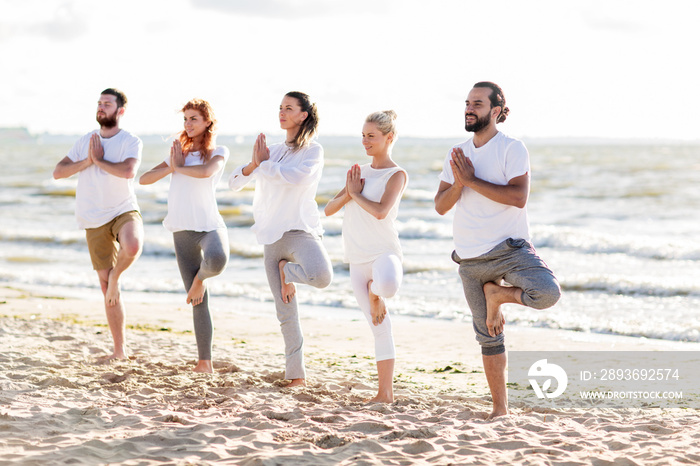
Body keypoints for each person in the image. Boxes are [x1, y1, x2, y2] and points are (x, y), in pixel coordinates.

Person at [434, 81, 561, 418]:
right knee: (488, 337)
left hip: (510, 249)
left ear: (496, 110)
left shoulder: (511, 148)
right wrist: (460, 182)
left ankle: (499, 295)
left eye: (477, 103)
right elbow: (441, 205)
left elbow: (518, 197)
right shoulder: (457, 153)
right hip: (470, 260)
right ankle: (500, 410)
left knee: (547, 293)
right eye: (467, 102)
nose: (469, 108)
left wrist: (472, 180)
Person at [229, 91, 333, 387]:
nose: (282, 112)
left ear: (303, 115)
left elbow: (296, 177)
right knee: (285, 312)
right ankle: (296, 376)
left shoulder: (313, 151)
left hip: (299, 231)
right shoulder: (271, 151)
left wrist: (264, 165)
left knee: (322, 276)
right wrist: (253, 164)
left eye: (289, 108)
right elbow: (235, 183)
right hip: (272, 237)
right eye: (280, 107)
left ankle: (288, 271)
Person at [139, 99, 229, 373]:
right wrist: (171, 166)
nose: (188, 124)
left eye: (194, 119)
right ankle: (205, 363)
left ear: (207, 123)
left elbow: (205, 173)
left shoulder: (218, 151)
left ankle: (199, 280)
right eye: (186, 119)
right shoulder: (178, 156)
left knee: (217, 259)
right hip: (182, 231)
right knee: (199, 301)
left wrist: (177, 167)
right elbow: (144, 179)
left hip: (209, 225)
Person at [53, 88, 143, 360]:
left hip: (123, 209)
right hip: (93, 218)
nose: (102, 107)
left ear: (120, 111)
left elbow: (128, 171)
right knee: (106, 288)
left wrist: (99, 160)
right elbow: (59, 172)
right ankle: (119, 351)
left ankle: (117, 276)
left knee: (133, 244)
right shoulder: (85, 141)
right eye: (100, 103)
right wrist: (87, 160)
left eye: (107, 104)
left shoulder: (130, 141)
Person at [325, 110, 407, 403]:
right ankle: (384, 394)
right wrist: (349, 193)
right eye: (363, 135)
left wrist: (355, 195)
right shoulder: (358, 171)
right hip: (357, 260)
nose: (365, 141)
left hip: (384, 252)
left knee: (387, 287)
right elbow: (329, 209)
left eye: (371, 136)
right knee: (379, 327)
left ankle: (376, 292)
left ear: (389, 138)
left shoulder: (396, 175)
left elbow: (381, 211)